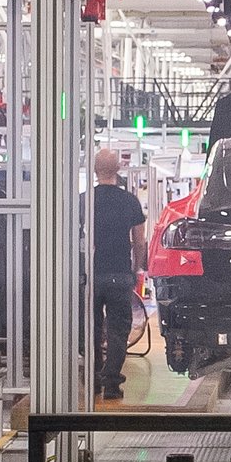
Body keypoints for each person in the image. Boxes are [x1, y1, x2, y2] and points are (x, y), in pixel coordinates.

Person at [88, 145, 148, 402]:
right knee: (118, 329)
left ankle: (92, 379)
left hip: (91, 275)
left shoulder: (84, 200)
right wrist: (136, 269)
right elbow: (139, 241)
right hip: (119, 274)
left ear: (94, 169)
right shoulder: (130, 201)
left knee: (90, 328)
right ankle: (112, 383)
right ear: (119, 169)